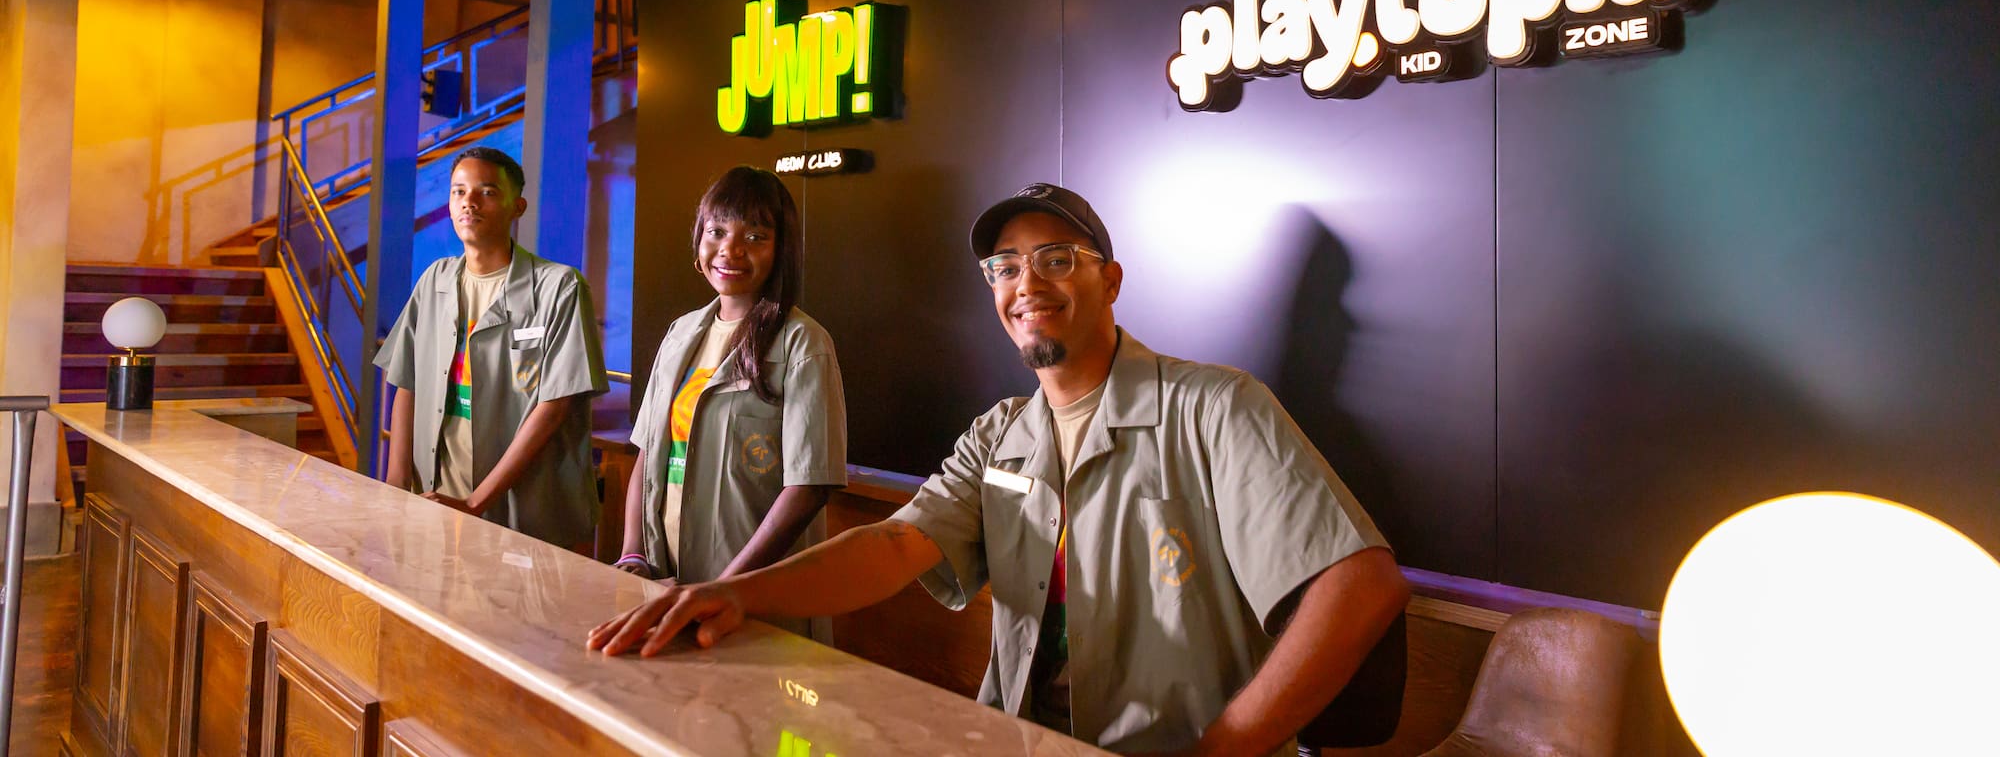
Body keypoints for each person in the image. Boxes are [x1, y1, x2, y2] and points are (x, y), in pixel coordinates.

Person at [587, 182, 1410, 756]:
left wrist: (1222, 749)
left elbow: (1361, 585)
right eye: (1006, 268)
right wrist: (734, 594)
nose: (1027, 285)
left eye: (1057, 259)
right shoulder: (1001, 433)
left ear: (1110, 279)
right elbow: (895, 547)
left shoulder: (1215, 408)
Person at [608, 165, 847, 640]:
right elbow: (646, 454)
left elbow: (808, 488)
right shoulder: (681, 334)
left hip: (753, 598)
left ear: (781, 250)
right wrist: (633, 553)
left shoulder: (804, 343)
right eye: (717, 231)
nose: (731, 250)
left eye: (755, 236)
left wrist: (724, 588)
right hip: (663, 581)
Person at [376, 146, 608, 551]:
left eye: (486, 191)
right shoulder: (435, 280)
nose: (469, 202)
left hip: (525, 513)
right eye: (458, 191)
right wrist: (396, 486)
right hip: (438, 501)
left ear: (517, 206)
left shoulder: (559, 287)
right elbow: (406, 383)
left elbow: (553, 409)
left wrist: (474, 502)